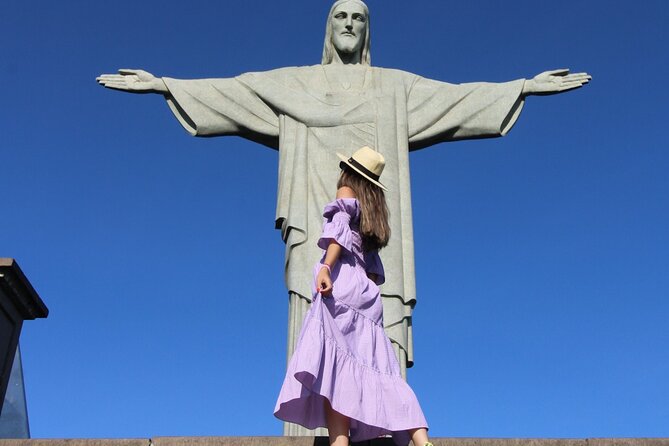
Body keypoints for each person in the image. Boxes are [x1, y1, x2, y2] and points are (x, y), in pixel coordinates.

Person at [96, 0, 591, 422]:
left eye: (359, 17)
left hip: (375, 242)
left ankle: (383, 427)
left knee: (377, 330)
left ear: (367, 29)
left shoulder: (394, 88)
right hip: (318, 227)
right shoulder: (295, 84)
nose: (350, 23)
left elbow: (457, 99)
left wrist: (521, 87)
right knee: (316, 326)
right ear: (329, 30)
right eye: (341, 17)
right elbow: (235, 91)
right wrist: (164, 85)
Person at [274, 146, 432, 446]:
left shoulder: (347, 192)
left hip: (341, 285)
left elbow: (338, 233)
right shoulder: (374, 209)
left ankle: (340, 443)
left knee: (335, 369)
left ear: (350, 173)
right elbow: (373, 269)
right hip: (367, 295)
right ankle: (422, 441)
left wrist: (325, 267)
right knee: (384, 371)